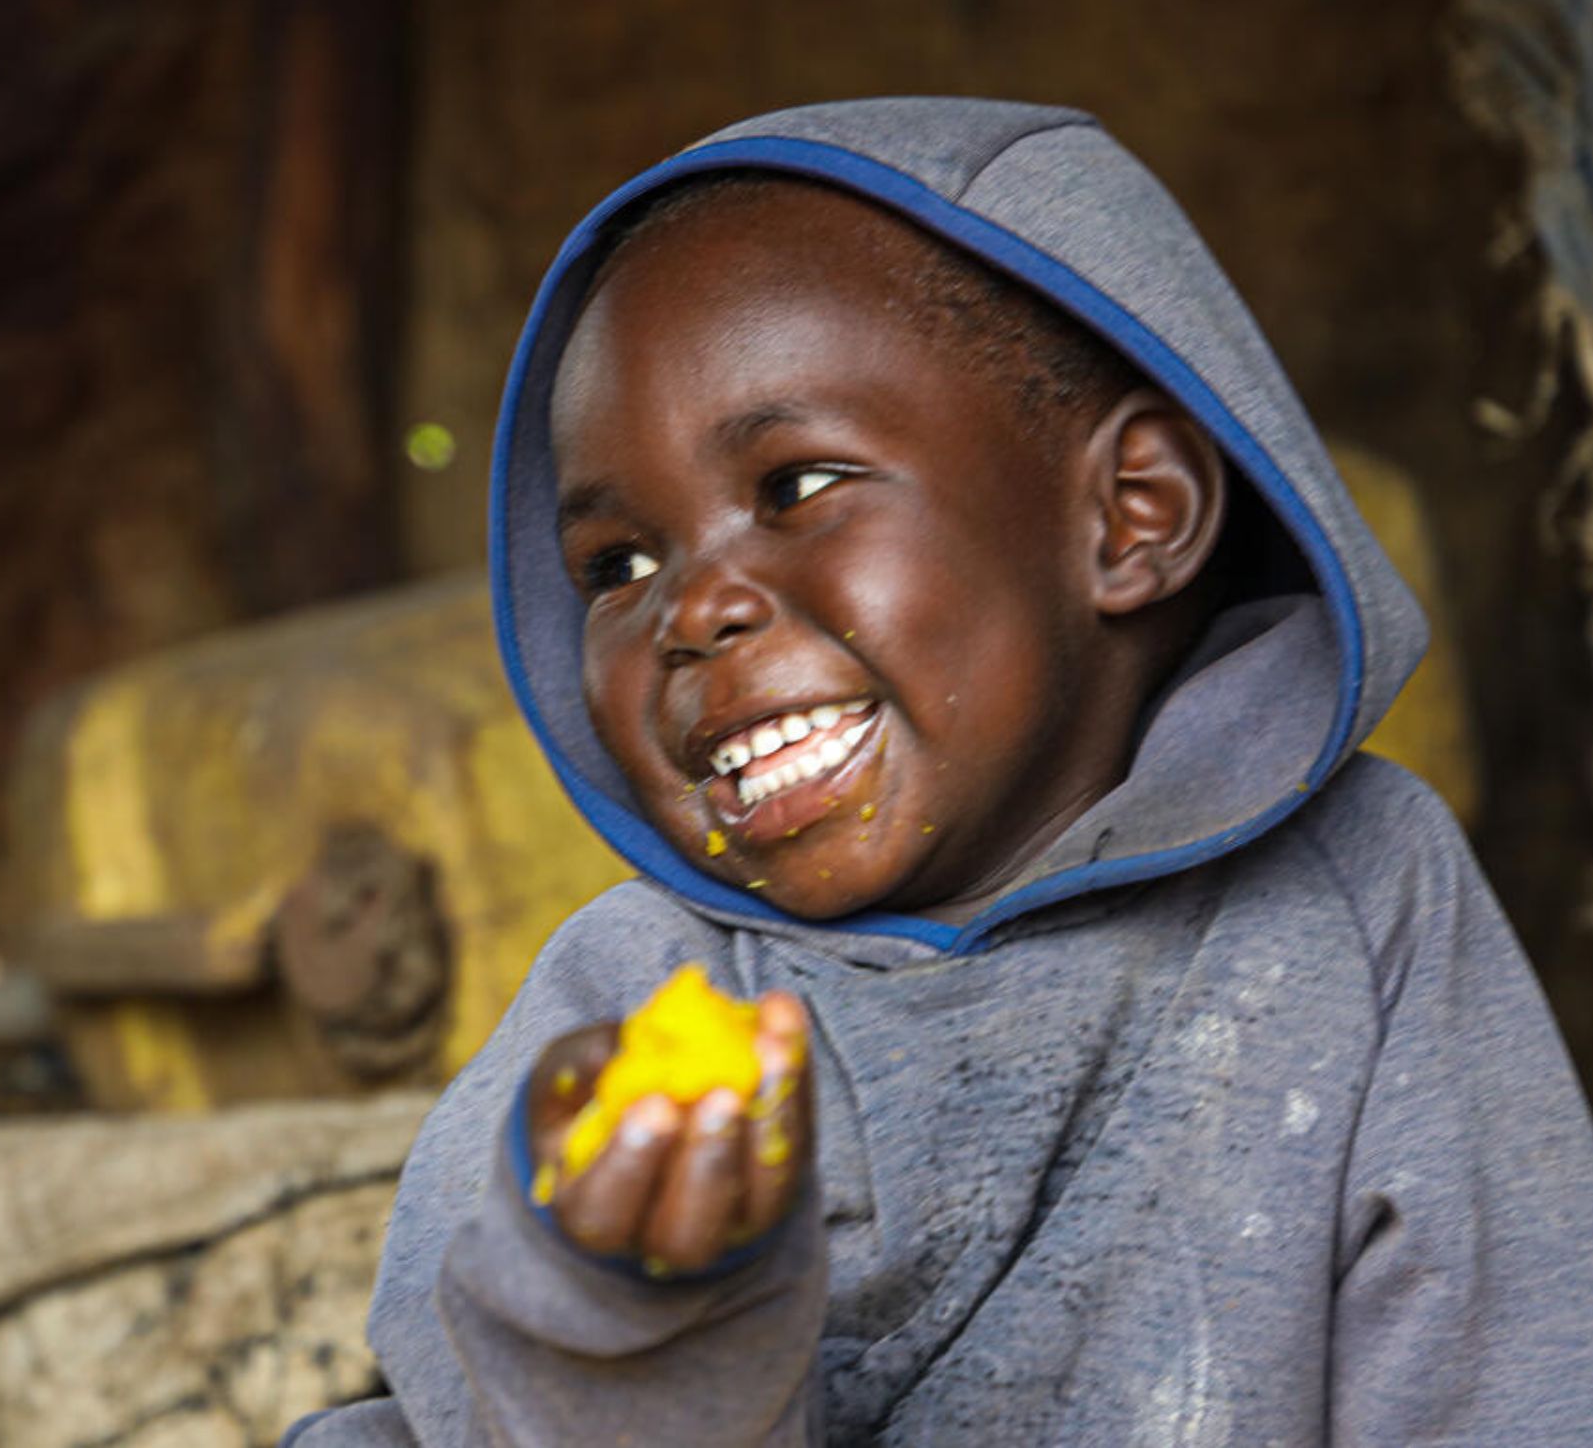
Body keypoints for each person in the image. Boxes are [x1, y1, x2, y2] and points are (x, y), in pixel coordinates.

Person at [286, 98, 1593, 1445]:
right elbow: (470, 1402)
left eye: (793, 486)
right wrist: (622, 1306)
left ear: (1130, 516)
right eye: (616, 566)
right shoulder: (635, 998)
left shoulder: (1354, 899)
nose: (691, 609)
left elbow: (1504, 1375)